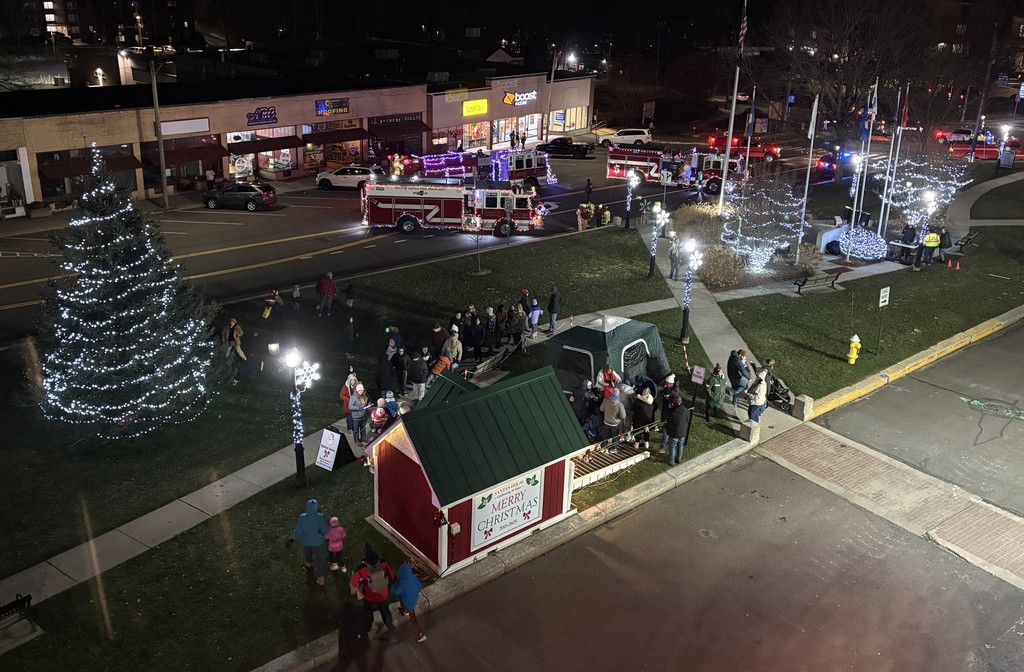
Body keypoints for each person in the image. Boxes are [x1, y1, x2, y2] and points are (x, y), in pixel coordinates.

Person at [350, 544, 396, 639]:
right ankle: (391, 627)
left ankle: (368, 627)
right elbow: (392, 577)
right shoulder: (383, 563)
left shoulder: (361, 569)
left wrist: (359, 587)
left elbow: (353, 584)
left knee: (368, 613)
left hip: (369, 598)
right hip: (383, 596)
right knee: (385, 612)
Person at [286, 498, 329, 587]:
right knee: (319, 559)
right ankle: (320, 578)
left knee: (307, 552)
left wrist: (291, 539)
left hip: (306, 540)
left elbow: (298, 531)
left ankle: (308, 563)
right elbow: (324, 530)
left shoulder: (302, 517)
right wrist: (327, 537)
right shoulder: (319, 517)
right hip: (317, 541)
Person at [391, 561, 428, 643]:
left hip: (409, 602)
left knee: (413, 618)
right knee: (403, 597)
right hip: (414, 598)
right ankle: (404, 610)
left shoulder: (403, 583)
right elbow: (419, 586)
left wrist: (391, 585)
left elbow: (396, 592)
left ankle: (421, 634)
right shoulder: (414, 578)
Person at [664, 395, 689, 466]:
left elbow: (668, 422)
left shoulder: (673, 414)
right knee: (680, 445)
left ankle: (671, 460)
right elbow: (687, 419)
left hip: (674, 433)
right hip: (683, 432)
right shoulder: (686, 411)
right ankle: (678, 458)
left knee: (672, 446)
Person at [659, 374, 679, 452]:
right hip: (667, 413)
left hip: (669, 416)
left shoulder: (673, 394)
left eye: (667, 383)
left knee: (666, 432)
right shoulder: (670, 390)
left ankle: (662, 447)